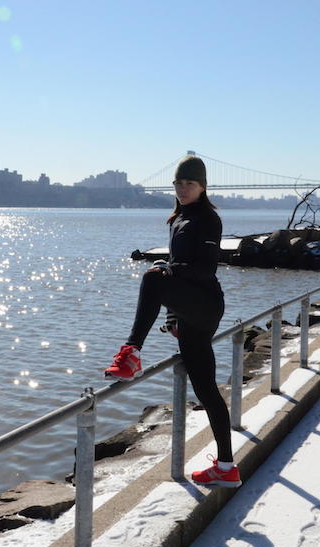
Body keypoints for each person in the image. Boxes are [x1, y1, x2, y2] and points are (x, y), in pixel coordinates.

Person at [104, 155, 240, 488]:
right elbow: (180, 269)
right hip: (189, 308)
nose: (182, 189)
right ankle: (226, 467)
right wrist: (173, 314)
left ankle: (131, 353)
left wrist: (166, 270)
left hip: (206, 304)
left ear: (203, 186)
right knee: (206, 390)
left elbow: (205, 269)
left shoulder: (208, 219)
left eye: (189, 183)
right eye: (178, 183)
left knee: (152, 278)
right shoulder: (177, 218)